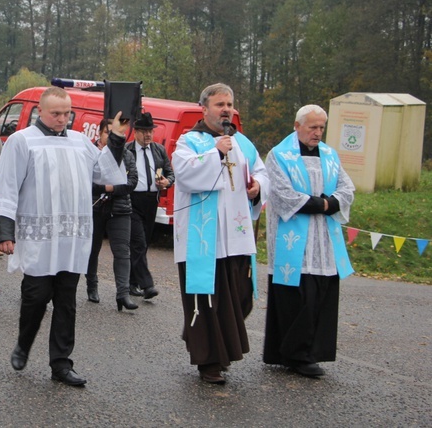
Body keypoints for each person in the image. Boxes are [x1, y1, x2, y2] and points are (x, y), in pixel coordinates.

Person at [0, 86, 128, 387]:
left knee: (67, 301)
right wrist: (4, 231)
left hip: (72, 237)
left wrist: (116, 138)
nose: (62, 119)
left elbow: (105, 172)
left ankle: (61, 364)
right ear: (41, 111)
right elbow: (6, 186)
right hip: (38, 236)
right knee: (36, 296)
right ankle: (23, 344)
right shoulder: (21, 141)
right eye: (56, 113)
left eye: (67, 113)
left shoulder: (80, 142)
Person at [171, 83, 270, 385]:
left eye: (229, 104)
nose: (226, 109)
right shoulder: (190, 141)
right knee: (208, 301)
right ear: (204, 108)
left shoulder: (243, 143)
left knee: (239, 298)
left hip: (236, 236)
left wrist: (258, 187)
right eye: (219, 104)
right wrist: (215, 152)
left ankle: (207, 342)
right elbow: (185, 175)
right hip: (204, 241)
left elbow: (262, 171)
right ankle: (209, 362)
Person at [263, 105, 355, 378]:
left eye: (321, 128)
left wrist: (331, 202)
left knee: (320, 294)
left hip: (323, 240)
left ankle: (311, 351)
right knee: (298, 296)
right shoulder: (279, 155)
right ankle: (294, 354)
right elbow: (282, 194)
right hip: (293, 240)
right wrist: (323, 203)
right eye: (312, 127)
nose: (317, 133)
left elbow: (347, 187)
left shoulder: (329, 155)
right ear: (297, 125)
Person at [84, 118, 139, 311]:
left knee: (122, 251)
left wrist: (108, 188)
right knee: (92, 249)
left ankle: (122, 294)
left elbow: (131, 182)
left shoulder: (127, 154)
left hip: (121, 208)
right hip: (95, 207)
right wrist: (111, 186)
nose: (112, 135)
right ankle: (92, 285)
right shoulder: (90, 153)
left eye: (116, 132)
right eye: (108, 132)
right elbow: (85, 181)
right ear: (99, 133)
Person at [126, 112, 174, 299]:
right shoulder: (127, 150)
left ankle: (131, 283)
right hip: (132, 200)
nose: (148, 135)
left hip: (151, 201)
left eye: (150, 131)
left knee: (142, 244)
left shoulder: (159, 150)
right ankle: (147, 285)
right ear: (136, 132)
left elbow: (170, 173)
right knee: (138, 242)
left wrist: (167, 182)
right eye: (144, 131)